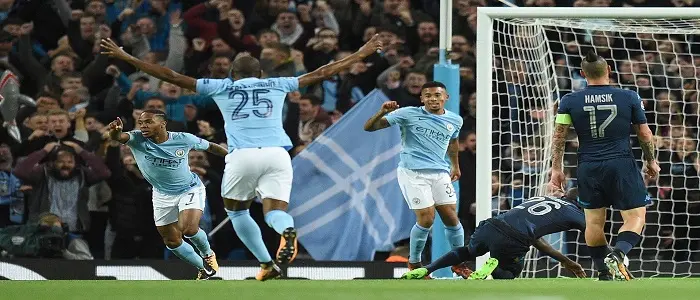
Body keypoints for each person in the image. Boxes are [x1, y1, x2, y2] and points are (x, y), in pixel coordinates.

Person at [99, 35, 383, 281]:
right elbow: (324, 71)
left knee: (237, 211)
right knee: (274, 211)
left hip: (242, 155)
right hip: (277, 155)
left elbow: (169, 76)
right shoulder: (278, 84)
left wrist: (125, 56)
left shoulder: (221, 87)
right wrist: (361, 53)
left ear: (232, 75)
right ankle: (286, 231)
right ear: (260, 74)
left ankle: (265, 261)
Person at [549, 51, 660, 281]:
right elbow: (644, 133)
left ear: (582, 74)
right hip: (621, 163)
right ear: (609, 69)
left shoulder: (569, 101)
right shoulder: (629, 97)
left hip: (588, 166)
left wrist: (556, 169)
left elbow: (559, 136)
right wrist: (651, 160)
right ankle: (618, 255)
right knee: (635, 216)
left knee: (594, 222)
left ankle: (603, 272)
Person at [105, 110, 229, 280]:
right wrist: (115, 131)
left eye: (148, 122)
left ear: (162, 124)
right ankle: (204, 269)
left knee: (189, 229)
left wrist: (231, 157)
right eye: (141, 123)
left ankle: (208, 254)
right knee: (171, 241)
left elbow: (210, 146)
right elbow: (119, 137)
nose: (143, 126)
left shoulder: (183, 139)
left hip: (189, 189)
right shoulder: (137, 139)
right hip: (161, 194)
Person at [363, 81, 468, 278]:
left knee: (452, 219)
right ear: (422, 99)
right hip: (413, 172)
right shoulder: (408, 113)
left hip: (440, 173)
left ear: (446, 98)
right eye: (428, 95)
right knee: (427, 218)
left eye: (437, 95)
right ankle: (415, 263)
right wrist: (381, 112)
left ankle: (458, 263)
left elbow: (452, 143)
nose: (433, 99)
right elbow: (369, 127)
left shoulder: (455, 120)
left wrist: (455, 165)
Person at [401, 189, 587, 280]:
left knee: (468, 251)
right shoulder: (577, 213)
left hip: (491, 224)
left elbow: (537, 239)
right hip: (513, 238)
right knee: (510, 273)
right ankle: (493, 267)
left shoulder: (544, 198)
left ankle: (427, 269)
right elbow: (597, 240)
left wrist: (564, 260)